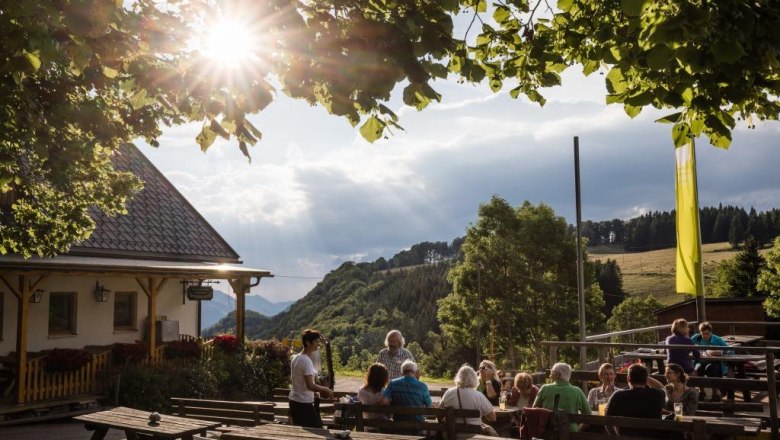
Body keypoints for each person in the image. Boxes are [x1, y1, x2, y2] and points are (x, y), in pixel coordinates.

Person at [605, 364, 666, 438]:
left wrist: (617, 437)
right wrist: (645, 376)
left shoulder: (619, 396)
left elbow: (607, 421)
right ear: (646, 380)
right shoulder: (657, 394)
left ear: (628, 379)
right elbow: (662, 387)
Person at [289, 329, 334, 427]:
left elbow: (296, 380)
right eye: (316, 342)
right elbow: (310, 386)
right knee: (318, 430)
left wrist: (314, 394)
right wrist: (326, 389)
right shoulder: (306, 360)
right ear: (307, 343)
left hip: (294, 400)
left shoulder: (295, 358)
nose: (318, 345)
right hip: (303, 403)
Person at [439, 365, 498, 439]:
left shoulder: (448, 392)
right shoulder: (478, 395)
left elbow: (440, 413)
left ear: (458, 377)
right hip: (472, 436)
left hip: (448, 435)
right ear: (474, 378)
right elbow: (493, 418)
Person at [533, 363, 590, 431]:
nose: (550, 375)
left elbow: (534, 410)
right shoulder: (577, 391)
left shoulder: (545, 388)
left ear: (558, 375)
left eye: (552, 372)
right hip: (571, 434)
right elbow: (588, 416)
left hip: (547, 433)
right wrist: (577, 429)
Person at [691, 321, 730, 401]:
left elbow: (730, 350)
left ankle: (715, 394)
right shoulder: (696, 338)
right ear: (700, 332)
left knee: (711, 369)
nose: (705, 336)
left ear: (711, 332)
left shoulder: (717, 339)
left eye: (707, 334)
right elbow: (687, 346)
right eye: (703, 333)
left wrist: (720, 352)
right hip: (701, 361)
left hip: (715, 362)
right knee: (697, 368)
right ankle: (702, 392)